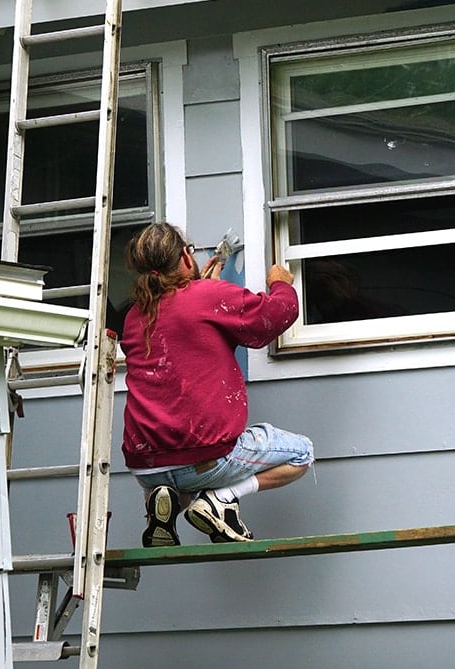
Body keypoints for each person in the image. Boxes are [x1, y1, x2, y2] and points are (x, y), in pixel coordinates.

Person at [120, 222, 313, 546]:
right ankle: (220, 500)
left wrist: (201, 289)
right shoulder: (207, 297)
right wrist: (280, 283)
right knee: (301, 453)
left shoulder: (135, 317)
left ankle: (163, 507)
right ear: (186, 256)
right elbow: (277, 314)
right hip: (207, 460)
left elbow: (180, 335)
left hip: (146, 467)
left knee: (178, 478)